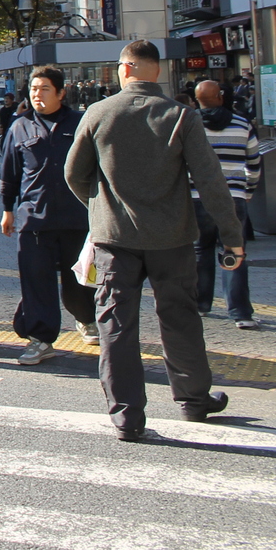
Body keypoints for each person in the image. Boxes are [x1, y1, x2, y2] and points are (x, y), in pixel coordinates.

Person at [64, 40, 245, 440]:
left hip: (114, 238)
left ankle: (126, 415)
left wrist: (100, 208)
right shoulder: (180, 116)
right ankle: (193, 400)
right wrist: (232, 236)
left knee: (116, 324)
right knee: (180, 318)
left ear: (124, 70)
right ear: (155, 72)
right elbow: (211, 181)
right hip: (173, 236)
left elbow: (74, 174)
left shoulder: (98, 113)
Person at [0, 65, 96, 365]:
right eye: (33, 90)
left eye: (44, 89)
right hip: (33, 219)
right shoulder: (20, 127)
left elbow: (96, 169)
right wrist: (7, 210)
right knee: (36, 281)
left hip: (76, 218)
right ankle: (41, 339)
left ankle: (86, 319)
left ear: (61, 92)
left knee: (79, 281)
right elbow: (9, 174)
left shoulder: (81, 124)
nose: (37, 95)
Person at [191, 79, 261, 330]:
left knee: (200, 251)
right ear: (221, 96)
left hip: (197, 198)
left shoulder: (190, 124)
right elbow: (253, 163)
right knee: (233, 253)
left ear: (197, 100)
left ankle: (201, 303)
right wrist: (247, 190)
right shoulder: (243, 124)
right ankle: (241, 313)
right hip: (233, 198)